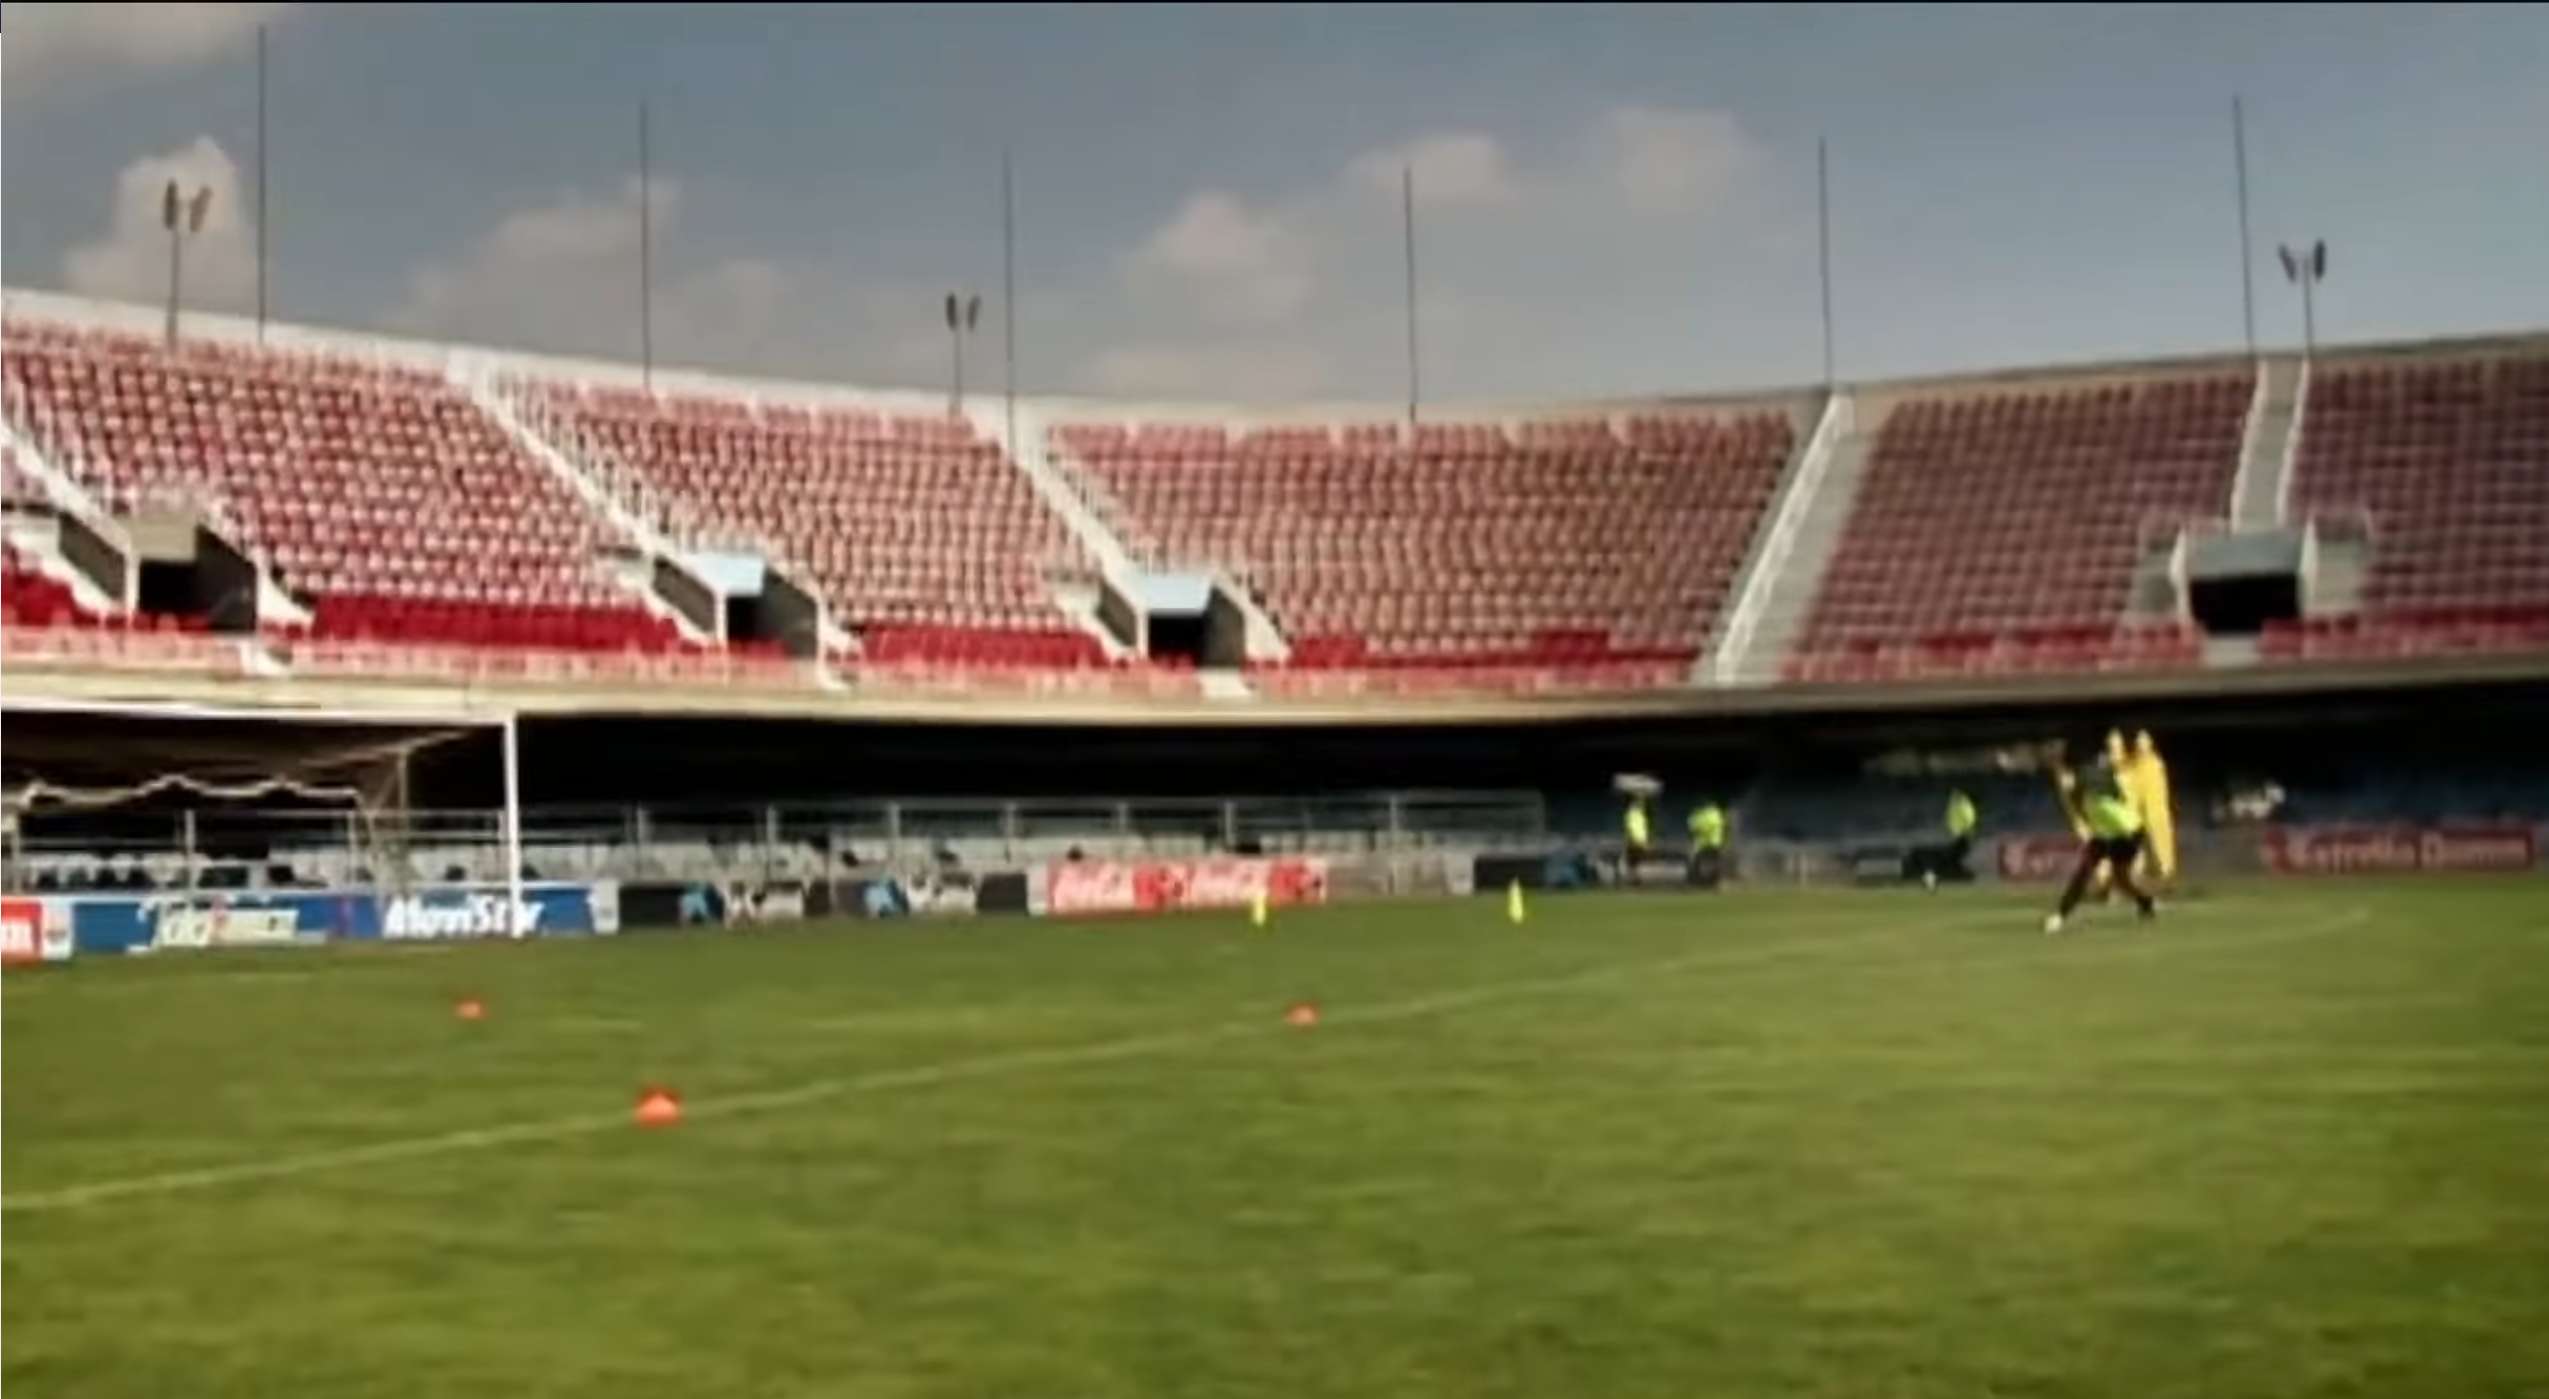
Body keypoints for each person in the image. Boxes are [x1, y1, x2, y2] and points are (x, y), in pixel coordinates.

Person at [2045, 750, 2158, 934]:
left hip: (2126, 834)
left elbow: (2077, 786)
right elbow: (2074, 789)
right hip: (2104, 835)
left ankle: (2145, 903)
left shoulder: (2087, 785)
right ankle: (2060, 916)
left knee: (2120, 880)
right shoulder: (2086, 785)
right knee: (2084, 874)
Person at [1925, 788, 1979, 889]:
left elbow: (1969, 819)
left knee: (1947, 859)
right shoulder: (1957, 805)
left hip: (1961, 836)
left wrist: (1964, 831)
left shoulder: (1963, 805)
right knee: (1948, 859)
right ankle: (1934, 877)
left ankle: (1933, 877)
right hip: (1959, 837)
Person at [1686, 799, 1728, 890]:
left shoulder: (1697, 815)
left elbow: (1692, 830)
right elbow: (1722, 826)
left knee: (1697, 863)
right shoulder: (1716, 813)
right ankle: (1717, 882)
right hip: (1715, 842)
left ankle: (1696, 882)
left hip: (1702, 844)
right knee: (1716, 863)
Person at [1621, 797, 1653, 886]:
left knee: (1632, 862)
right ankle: (1635, 878)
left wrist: (1630, 840)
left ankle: (1634, 879)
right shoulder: (1640, 816)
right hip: (1640, 841)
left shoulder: (1631, 815)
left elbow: (1630, 829)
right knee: (1634, 862)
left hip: (1635, 841)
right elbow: (1641, 829)